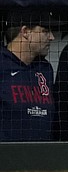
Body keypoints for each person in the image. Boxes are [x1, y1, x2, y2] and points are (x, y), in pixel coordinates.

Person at [1, 10, 58, 141]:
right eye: (45, 31)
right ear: (25, 31)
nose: (51, 37)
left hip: (41, 157)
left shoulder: (45, 69)